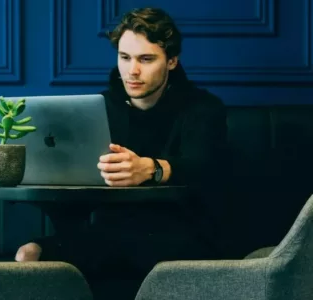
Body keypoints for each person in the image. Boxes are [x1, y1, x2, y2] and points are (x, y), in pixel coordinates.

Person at [15, 7, 232, 299]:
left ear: (171, 61)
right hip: (109, 237)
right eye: (125, 57)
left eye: (146, 59)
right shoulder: (99, 109)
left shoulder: (203, 108)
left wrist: (153, 169)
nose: (132, 71)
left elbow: (204, 166)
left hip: (181, 236)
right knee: (29, 253)